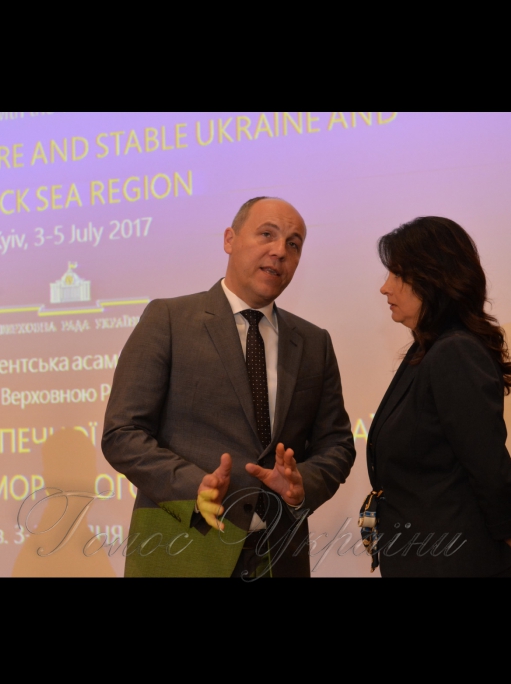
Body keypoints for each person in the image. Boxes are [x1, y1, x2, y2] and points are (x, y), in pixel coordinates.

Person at [101, 197, 356, 577]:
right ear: (229, 239)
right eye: (266, 234)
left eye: (293, 244)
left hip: (279, 556)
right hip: (183, 549)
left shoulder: (313, 342)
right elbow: (122, 432)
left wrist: (302, 485)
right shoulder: (169, 319)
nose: (280, 251)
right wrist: (194, 486)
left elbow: (337, 444)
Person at [367, 216, 511, 577]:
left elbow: (489, 470)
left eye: (397, 274)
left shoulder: (454, 352)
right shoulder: (427, 350)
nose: (385, 288)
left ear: (432, 278)